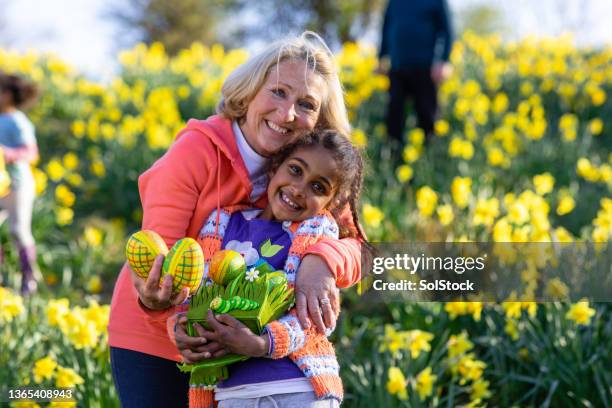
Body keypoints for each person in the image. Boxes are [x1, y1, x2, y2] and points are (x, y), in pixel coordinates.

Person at [108, 32, 363, 408]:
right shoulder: (195, 152)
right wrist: (157, 300)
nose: (288, 113)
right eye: (278, 92)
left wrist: (321, 259)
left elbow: (359, 247)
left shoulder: (311, 175)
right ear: (249, 92)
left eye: (306, 104)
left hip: (251, 356)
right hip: (156, 341)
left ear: (319, 120)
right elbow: (157, 255)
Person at [174, 129, 371, 407]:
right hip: (231, 395)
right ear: (275, 167)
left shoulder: (316, 232)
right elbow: (197, 294)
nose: (299, 188)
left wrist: (262, 344)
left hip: (298, 388)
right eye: (295, 170)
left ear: (333, 202)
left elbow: (315, 320)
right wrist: (183, 328)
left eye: (318, 188)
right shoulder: (220, 223)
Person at [378, 0, 454, 145]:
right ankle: (395, 160)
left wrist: (443, 60)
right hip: (397, 68)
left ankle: (430, 160)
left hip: (426, 69)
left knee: (428, 119)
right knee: (393, 120)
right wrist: (381, 56)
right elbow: (386, 27)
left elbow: (447, 31)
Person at [0, 73, 40, 295]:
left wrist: (7, 153)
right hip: (0, 186)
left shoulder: (17, 120)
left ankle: (29, 278)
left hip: (17, 185)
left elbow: (31, 152)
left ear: (7, 95)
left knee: (19, 231)